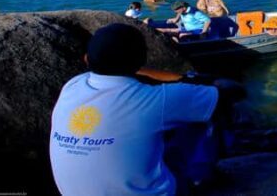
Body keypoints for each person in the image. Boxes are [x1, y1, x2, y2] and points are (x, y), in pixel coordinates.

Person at [49, 23, 245, 195]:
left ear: (86, 60)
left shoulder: (73, 85)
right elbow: (234, 91)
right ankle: (202, 176)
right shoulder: (156, 99)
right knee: (205, 112)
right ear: (141, 60)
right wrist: (186, 79)